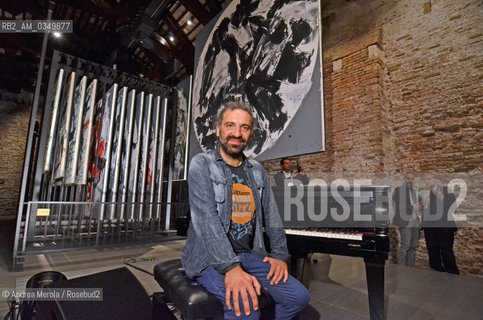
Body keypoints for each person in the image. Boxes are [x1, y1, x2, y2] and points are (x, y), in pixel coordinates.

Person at [182, 101, 310, 319]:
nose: (237, 133)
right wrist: (231, 269)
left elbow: (271, 214)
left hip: (249, 254)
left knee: (298, 297)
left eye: (244, 127)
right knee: (246, 309)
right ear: (218, 129)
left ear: (250, 134)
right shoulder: (201, 164)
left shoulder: (257, 170)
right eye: (230, 125)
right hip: (208, 257)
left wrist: (279, 254)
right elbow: (206, 220)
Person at [420, 174, 459, 274]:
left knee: (446, 250)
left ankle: (452, 273)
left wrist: (442, 198)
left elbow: (453, 207)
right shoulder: (423, 192)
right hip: (430, 227)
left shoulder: (446, 190)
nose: (427, 182)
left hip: (444, 227)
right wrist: (421, 204)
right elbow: (419, 208)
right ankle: (436, 271)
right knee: (432, 250)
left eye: (429, 179)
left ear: (435, 179)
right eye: (425, 180)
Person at [392, 173, 422, 266]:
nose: (410, 181)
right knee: (405, 246)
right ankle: (402, 268)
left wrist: (420, 206)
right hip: (405, 222)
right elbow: (398, 207)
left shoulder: (413, 191)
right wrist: (412, 206)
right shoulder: (398, 190)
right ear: (404, 179)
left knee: (413, 246)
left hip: (415, 222)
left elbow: (415, 206)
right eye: (408, 179)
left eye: (412, 179)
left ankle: (409, 267)